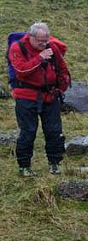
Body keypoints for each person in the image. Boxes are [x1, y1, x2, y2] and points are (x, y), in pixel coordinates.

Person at [8, 22, 71, 176]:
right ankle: (24, 166)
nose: (44, 44)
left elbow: (62, 68)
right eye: (40, 41)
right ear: (30, 37)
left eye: (46, 40)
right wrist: (39, 58)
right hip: (26, 96)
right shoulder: (17, 48)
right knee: (28, 131)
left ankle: (54, 163)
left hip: (50, 96)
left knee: (54, 131)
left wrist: (61, 88)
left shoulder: (51, 47)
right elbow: (21, 71)